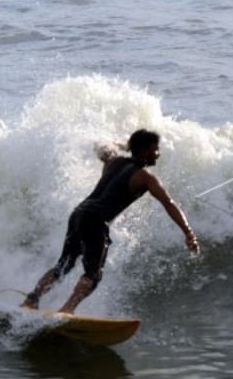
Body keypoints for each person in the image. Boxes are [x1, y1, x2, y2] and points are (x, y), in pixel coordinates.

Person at [22, 129, 199, 314]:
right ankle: (66, 311)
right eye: (155, 149)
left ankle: (31, 300)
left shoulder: (113, 160)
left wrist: (124, 145)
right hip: (95, 221)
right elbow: (169, 203)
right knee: (93, 275)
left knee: (64, 266)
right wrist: (189, 233)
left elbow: (103, 146)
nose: (158, 153)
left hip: (79, 213)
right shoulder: (146, 178)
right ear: (145, 151)